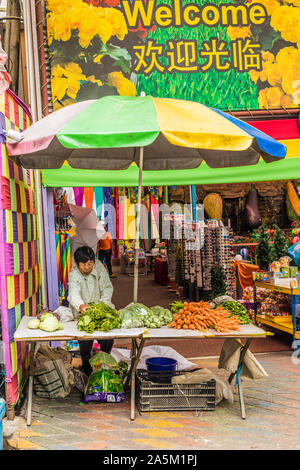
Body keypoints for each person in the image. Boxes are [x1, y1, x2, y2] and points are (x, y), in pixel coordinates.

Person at [67, 245, 114, 376]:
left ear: (94, 261)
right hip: (83, 314)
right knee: (85, 343)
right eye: (83, 265)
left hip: (101, 311)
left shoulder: (99, 267)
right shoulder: (74, 273)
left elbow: (107, 288)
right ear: (77, 264)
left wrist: (102, 307)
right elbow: (73, 293)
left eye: (90, 264)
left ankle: (104, 364)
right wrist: (81, 305)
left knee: (107, 339)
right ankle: (87, 369)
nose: (87, 268)